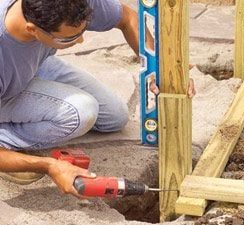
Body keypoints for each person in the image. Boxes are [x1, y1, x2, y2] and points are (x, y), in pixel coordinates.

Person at [0, 0, 196, 198]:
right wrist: (49, 166)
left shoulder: (70, 4)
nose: (81, 41)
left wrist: (160, 70)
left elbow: (127, 17)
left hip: (36, 64)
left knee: (114, 117)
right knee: (81, 113)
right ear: (32, 29)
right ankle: (5, 141)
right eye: (70, 37)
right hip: (5, 90)